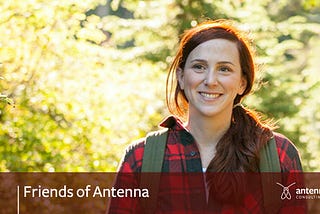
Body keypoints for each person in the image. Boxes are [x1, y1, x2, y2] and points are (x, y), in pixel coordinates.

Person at [108, 19, 304, 213]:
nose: (210, 81)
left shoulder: (278, 156)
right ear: (181, 77)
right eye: (199, 67)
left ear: (242, 83)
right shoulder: (141, 159)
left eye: (224, 69)